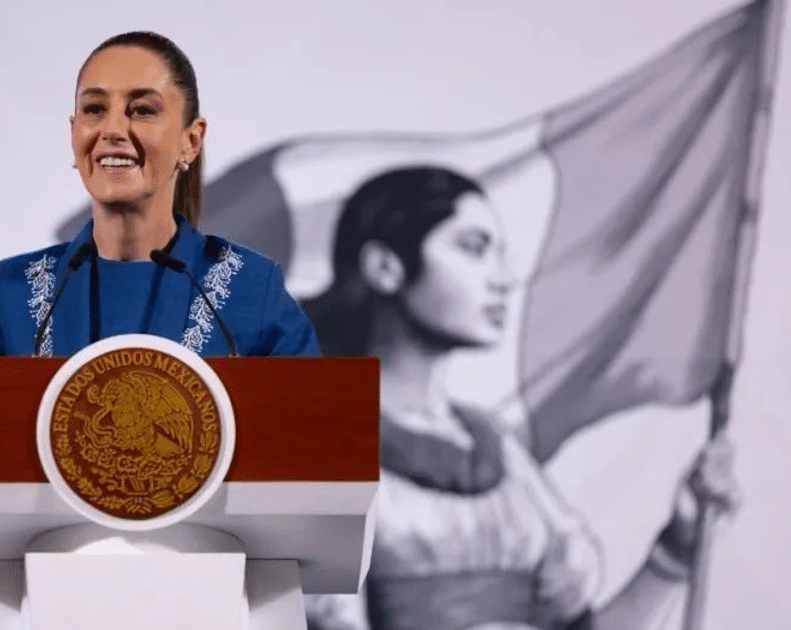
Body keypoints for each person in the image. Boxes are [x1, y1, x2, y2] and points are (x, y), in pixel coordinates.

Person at [301, 167, 740, 630]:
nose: (505, 279)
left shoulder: (497, 450)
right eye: (473, 248)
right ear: (385, 267)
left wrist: (675, 551)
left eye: (500, 254)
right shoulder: (307, 446)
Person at [0, 31, 318, 358]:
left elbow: (314, 426)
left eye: (142, 110)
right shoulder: (9, 293)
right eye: (94, 109)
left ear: (191, 140)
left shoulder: (253, 289)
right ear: (74, 133)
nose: (112, 129)